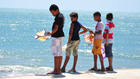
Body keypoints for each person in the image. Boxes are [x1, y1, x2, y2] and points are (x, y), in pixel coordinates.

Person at [47, 4, 65, 74]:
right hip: (60, 36)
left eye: (52, 12)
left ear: (56, 10)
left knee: (56, 54)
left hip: (57, 37)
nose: (52, 14)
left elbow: (56, 28)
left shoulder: (58, 17)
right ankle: (58, 70)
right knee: (59, 53)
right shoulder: (61, 16)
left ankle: (55, 70)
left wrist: (51, 33)